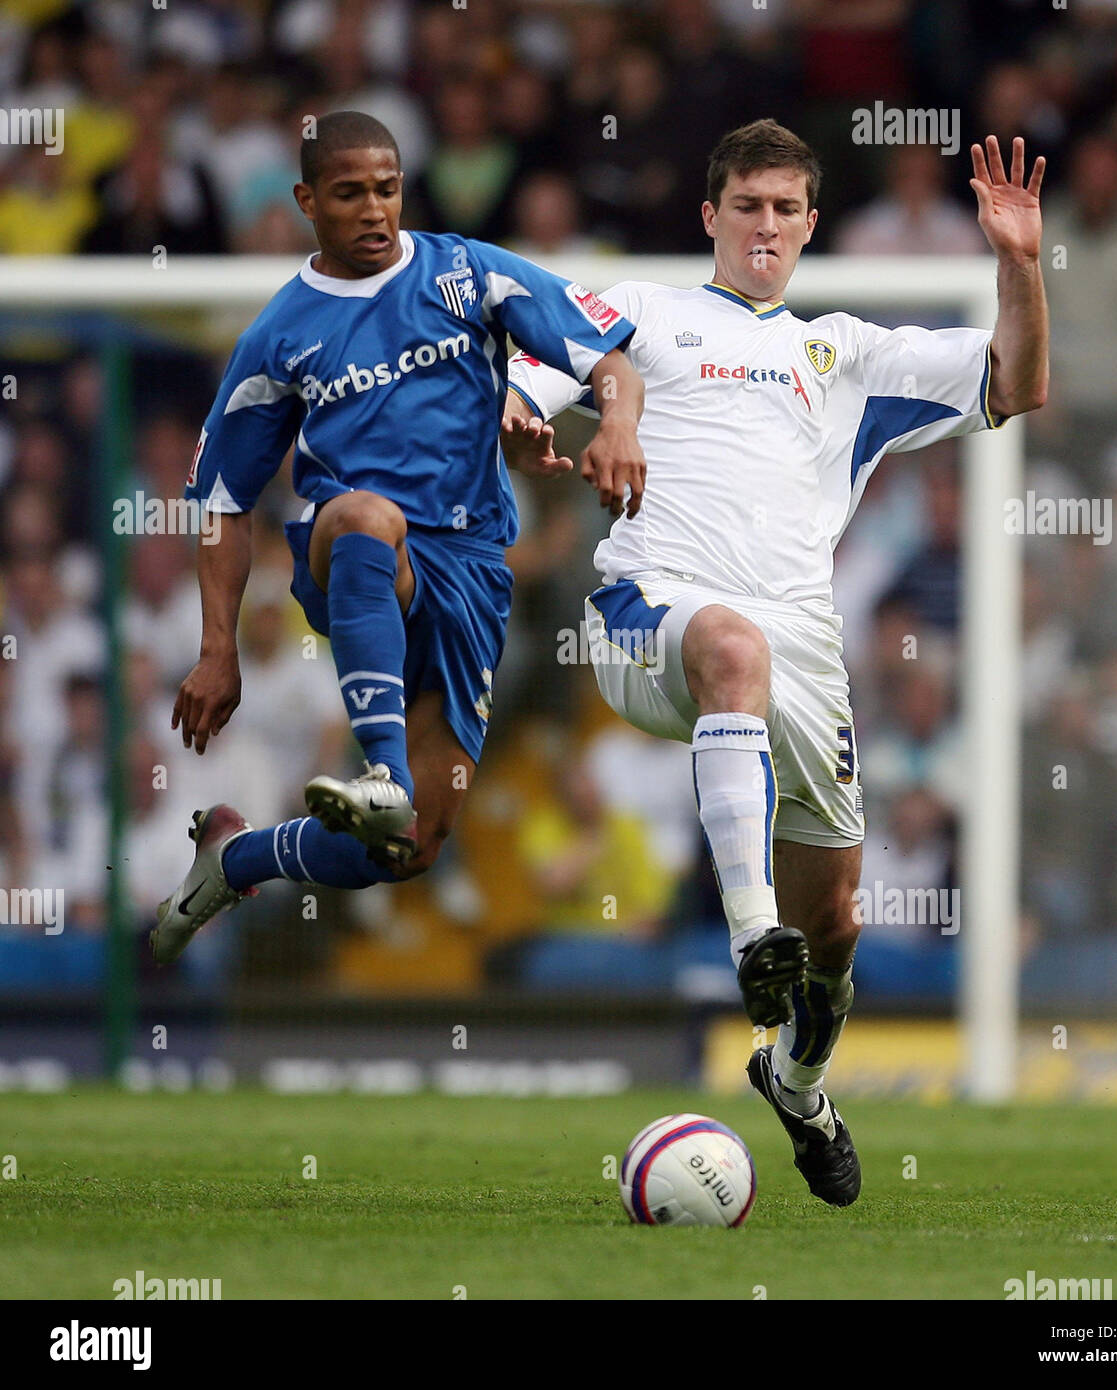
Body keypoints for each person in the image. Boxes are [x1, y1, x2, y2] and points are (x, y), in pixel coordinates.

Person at [503, 119, 1048, 1205]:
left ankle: (795, 1083)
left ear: (809, 225)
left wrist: (1018, 263)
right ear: (710, 217)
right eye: (745, 204)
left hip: (802, 655)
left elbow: (1015, 382)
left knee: (836, 924)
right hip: (649, 610)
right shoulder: (642, 312)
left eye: (784, 208)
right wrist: (524, 425)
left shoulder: (843, 353)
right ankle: (750, 933)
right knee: (728, 645)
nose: (764, 225)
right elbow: (527, 376)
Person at [152, 110, 645, 965]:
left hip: (474, 574)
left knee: (409, 846)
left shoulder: (467, 272)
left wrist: (617, 427)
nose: (375, 209)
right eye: (350, 194)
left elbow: (608, 359)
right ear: (308, 201)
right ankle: (379, 767)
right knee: (363, 516)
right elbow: (224, 502)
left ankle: (234, 859)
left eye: (386, 188)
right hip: (351, 554)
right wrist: (217, 648)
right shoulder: (278, 335)